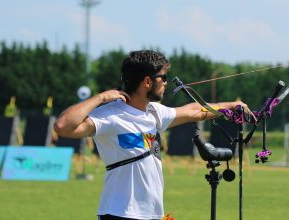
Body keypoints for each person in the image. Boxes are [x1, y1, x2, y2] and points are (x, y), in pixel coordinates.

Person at [54, 50, 252, 220]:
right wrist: (101, 97)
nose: (166, 83)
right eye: (163, 77)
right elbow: (62, 126)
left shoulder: (155, 111)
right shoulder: (109, 115)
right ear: (147, 81)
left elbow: (193, 111)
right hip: (119, 213)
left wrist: (231, 107)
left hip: (152, 213)